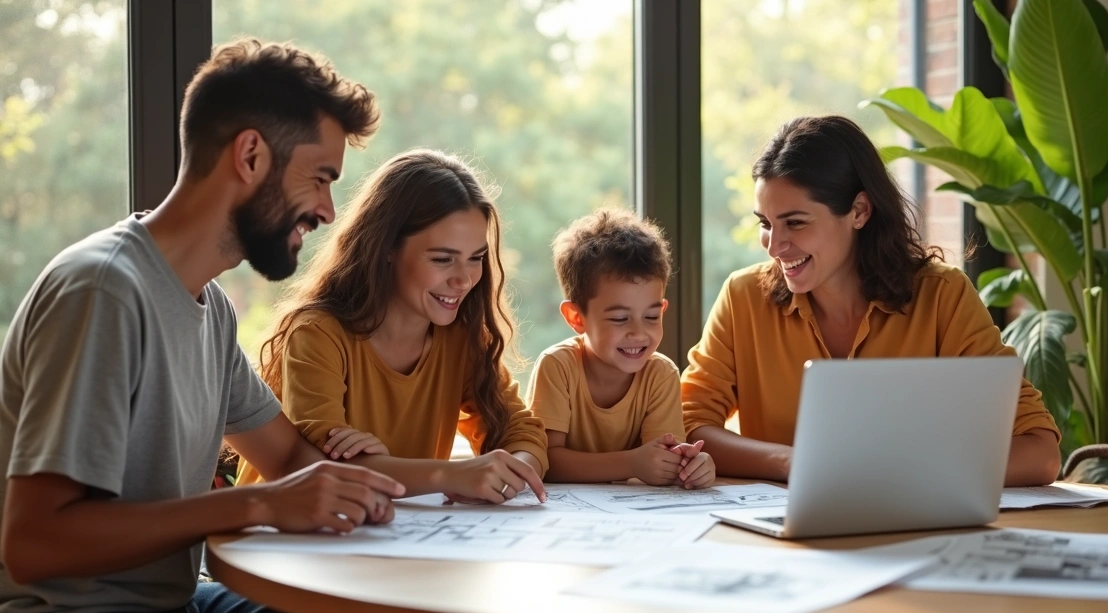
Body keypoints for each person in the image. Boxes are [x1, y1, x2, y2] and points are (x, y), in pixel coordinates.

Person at [0, 39, 406, 613]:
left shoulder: (208, 305)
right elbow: (34, 545)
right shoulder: (105, 290)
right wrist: (258, 504)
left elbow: (289, 458)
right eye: (320, 178)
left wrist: (369, 483)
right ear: (249, 156)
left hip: (171, 606)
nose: (327, 211)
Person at [680, 115, 1061, 487]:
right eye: (766, 223)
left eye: (795, 223)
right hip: (787, 536)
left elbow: (1039, 452)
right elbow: (689, 426)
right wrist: (793, 462)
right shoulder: (743, 297)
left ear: (859, 211)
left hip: (914, 532)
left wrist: (901, 474)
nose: (775, 246)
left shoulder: (943, 297)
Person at [234, 149, 548, 505]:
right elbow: (324, 469)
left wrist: (516, 468)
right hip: (276, 542)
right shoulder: (317, 334)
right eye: (443, 259)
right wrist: (451, 474)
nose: (464, 279)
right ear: (386, 249)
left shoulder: (462, 340)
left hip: (386, 533)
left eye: (475, 258)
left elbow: (522, 431)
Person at [527, 209, 714, 488]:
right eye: (619, 318)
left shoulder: (660, 375)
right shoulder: (558, 367)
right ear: (576, 318)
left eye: (651, 317)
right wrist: (631, 463)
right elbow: (547, 461)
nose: (639, 333)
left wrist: (690, 466)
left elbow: (661, 461)